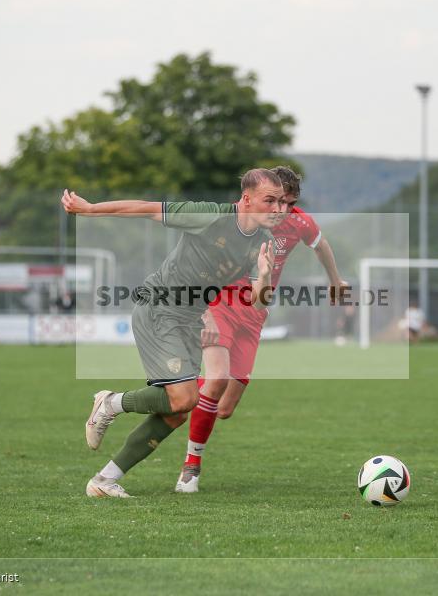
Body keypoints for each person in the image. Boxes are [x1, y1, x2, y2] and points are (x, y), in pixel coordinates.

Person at [61, 169, 283, 498]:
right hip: (159, 308)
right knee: (187, 398)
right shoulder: (209, 216)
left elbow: (259, 299)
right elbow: (147, 208)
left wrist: (264, 275)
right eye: (270, 201)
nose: (278, 209)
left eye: (281, 202)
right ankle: (110, 403)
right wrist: (91, 209)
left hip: (190, 318)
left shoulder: (264, 244)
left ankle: (105, 480)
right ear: (247, 199)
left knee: (178, 412)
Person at [175, 166, 347, 493]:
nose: (281, 209)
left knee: (223, 408)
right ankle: (190, 467)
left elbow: (321, 246)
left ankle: (181, 391)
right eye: (276, 201)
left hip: (256, 312)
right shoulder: (250, 216)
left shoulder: (300, 222)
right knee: (215, 382)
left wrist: (335, 280)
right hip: (223, 300)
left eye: (288, 202)